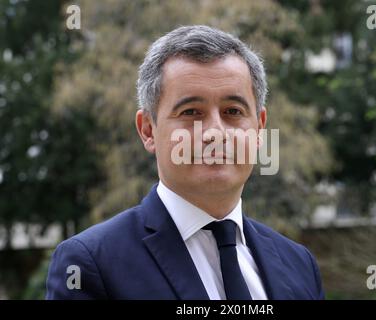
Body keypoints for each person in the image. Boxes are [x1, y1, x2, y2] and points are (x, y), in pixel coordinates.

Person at [46, 25, 325, 300]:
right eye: (191, 112)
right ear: (147, 130)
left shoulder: (299, 265)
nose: (215, 133)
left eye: (233, 111)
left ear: (260, 128)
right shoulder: (91, 265)